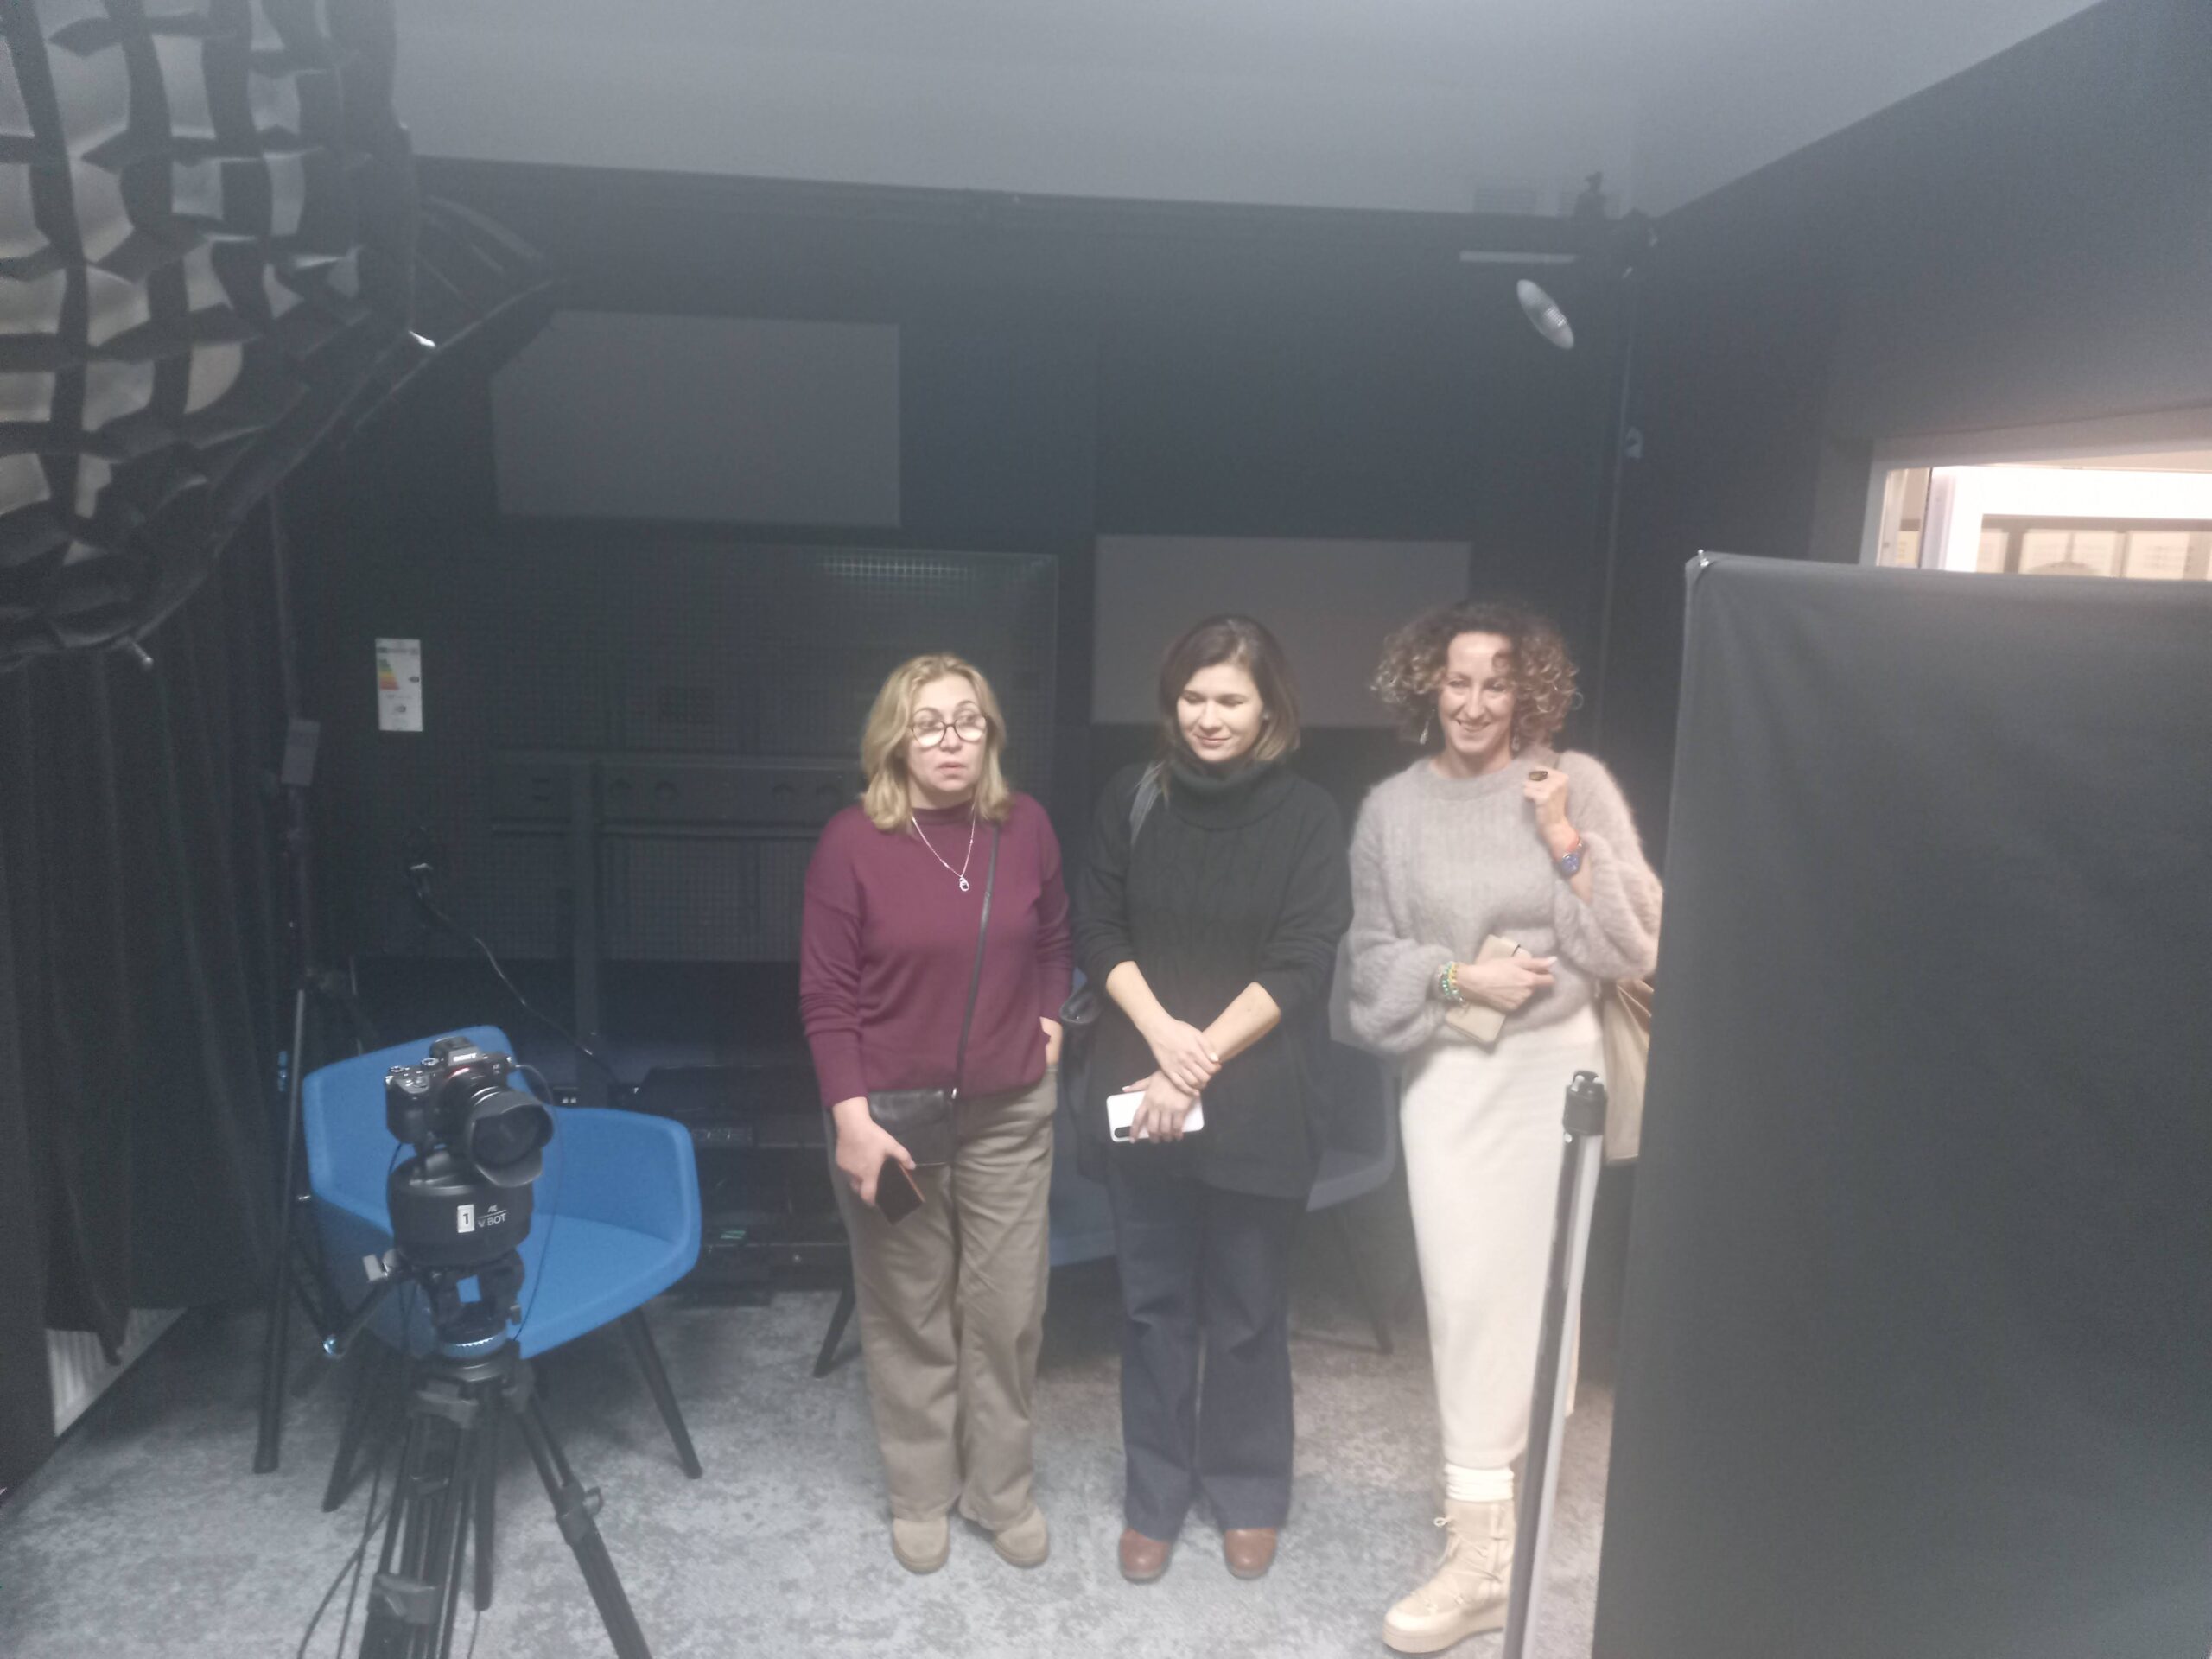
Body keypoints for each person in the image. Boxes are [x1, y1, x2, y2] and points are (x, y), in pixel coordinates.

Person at [1344, 601, 1661, 1653]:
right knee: (1466, 1297)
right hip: (1446, 1072)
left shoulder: (1576, 785)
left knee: (1542, 1295)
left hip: (1556, 1076)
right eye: (1457, 680)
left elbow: (1633, 944)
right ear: (1425, 685)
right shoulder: (1390, 811)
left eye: (1498, 682)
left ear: (1530, 692)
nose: (1475, 702)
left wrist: (1564, 837)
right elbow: (1366, 967)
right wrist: (1457, 977)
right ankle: (1482, 1555)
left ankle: (1504, 1524)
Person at [1073, 615, 1352, 1586]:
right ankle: (1154, 1496)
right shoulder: (1132, 796)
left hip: (1261, 1099)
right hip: (1141, 1086)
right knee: (1152, 1308)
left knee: (1246, 1310)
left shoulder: (1309, 816)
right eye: (1192, 697)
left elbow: (1303, 961)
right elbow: (1097, 929)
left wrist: (1190, 1063)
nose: (1208, 716)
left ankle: (1247, 1490)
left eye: (1230, 698)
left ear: (1269, 708)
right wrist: (1161, 1037)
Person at [798, 652, 1071, 1573]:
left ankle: (1002, 1491)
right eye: (928, 724)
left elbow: (1056, 938)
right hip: (891, 1127)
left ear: (989, 734)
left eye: (967, 721)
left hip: (1008, 1115)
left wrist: (1048, 1022)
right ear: (896, 740)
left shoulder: (1025, 827)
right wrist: (851, 1122)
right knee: (908, 1309)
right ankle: (920, 1493)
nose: (950, 740)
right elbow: (826, 996)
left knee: (1006, 1312)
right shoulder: (851, 843)